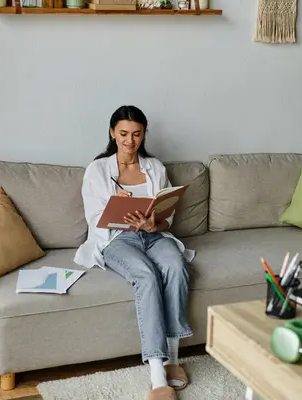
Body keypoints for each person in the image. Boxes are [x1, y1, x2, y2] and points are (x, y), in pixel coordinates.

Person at [74, 105, 195, 400]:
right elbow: (95, 219)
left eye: (137, 134)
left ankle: (174, 359)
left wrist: (155, 223)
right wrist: (115, 205)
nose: (130, 141)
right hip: (118, 240)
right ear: (112, 133)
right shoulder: (98, 170)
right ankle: (157, 373)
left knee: (176, 266)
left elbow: (167, 216)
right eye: (124, 133)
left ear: (144, 135)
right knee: (146, 276)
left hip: (154, 236)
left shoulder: (155, 167)